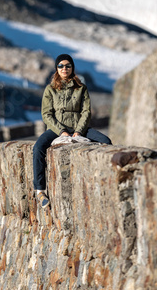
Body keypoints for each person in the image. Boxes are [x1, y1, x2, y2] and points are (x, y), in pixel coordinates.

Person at [33, 53, 112, 208]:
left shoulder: (81, 88)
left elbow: (86, 112)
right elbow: (46, 114)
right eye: (61, 66)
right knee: (38, 148)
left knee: (106, 142)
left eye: (68, 65)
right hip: (57, 129)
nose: (64, 68)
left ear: (72, 68)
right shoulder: (50, 89)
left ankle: (105, 184)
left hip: (79, 128)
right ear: (56, 69)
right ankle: (40, 190)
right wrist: (61, 131)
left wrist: (79, 131)